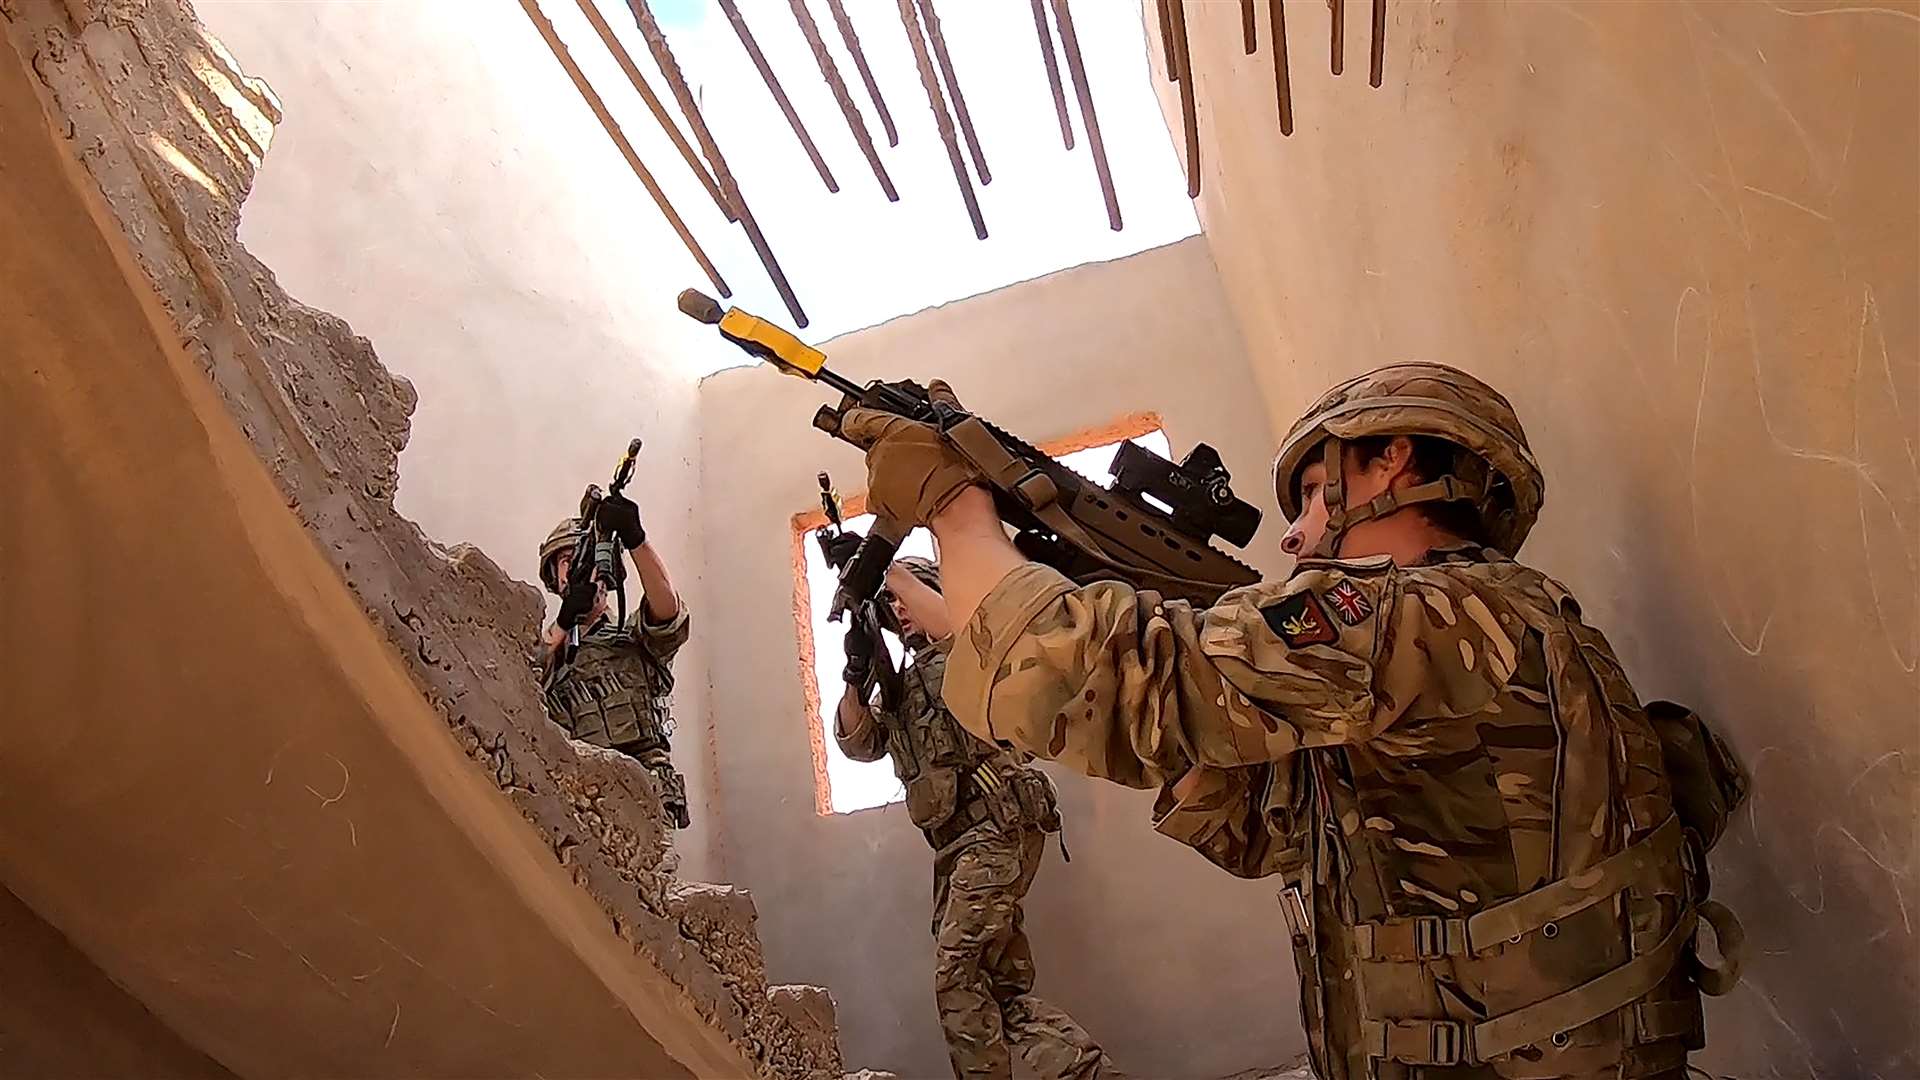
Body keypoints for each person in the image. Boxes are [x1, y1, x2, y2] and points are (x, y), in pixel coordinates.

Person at [839, 368, 1741, 1079]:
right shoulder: (1487, 621)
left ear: (1388, 462)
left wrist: (959, 513)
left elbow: (1106, 681)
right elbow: (1276, 833)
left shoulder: (1421, 615)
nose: (1293, 537)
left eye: (1312, 494)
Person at [835, 556, 1109, 1080]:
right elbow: (856, 741)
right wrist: (856, 669)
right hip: (958, 846)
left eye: (906, 598)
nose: (899, 610)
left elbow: (964, 637)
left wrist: (880, 568)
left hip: (996, 828)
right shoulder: (902, 687)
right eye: (891, 607)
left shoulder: (966, 651)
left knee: (956, 979)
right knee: (997, 993)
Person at [536, 490, 693, 829]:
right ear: (554, 575)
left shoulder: (632, 635)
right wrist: (564, 622)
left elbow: (668, 614)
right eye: (568, 561)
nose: (581, 569)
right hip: (573, 799)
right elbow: (521, 681)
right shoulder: (543, 649)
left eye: (591, 559)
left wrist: (636, 539)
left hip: (640, 791)